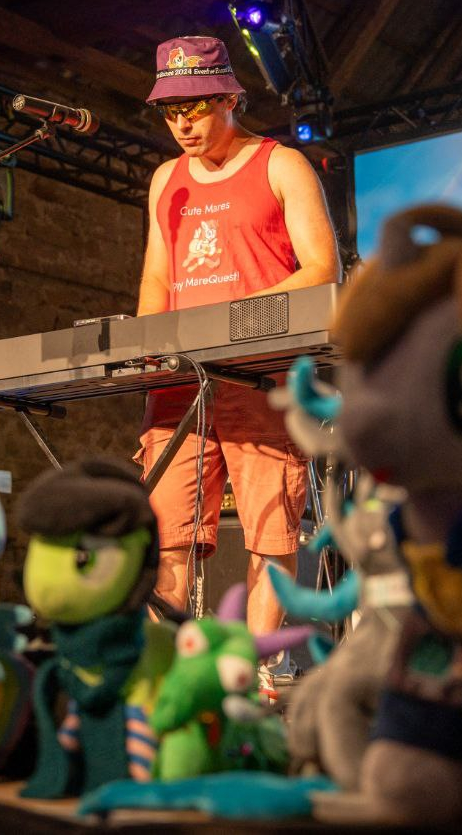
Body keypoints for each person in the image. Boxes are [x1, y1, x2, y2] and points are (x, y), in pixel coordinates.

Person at [134, 36, 341, 671]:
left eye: (194, 108)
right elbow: (158, 277)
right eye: (171, 112)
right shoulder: (166, 180)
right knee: (166, 530)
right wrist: (146, 346)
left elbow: (321, 268)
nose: (182, 124)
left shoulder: (282, 165)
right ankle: (164, 670)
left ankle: (251, 670)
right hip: (180, 383)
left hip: (260, 374)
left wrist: (232, 321)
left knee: (269, 529)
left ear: (229, 97)